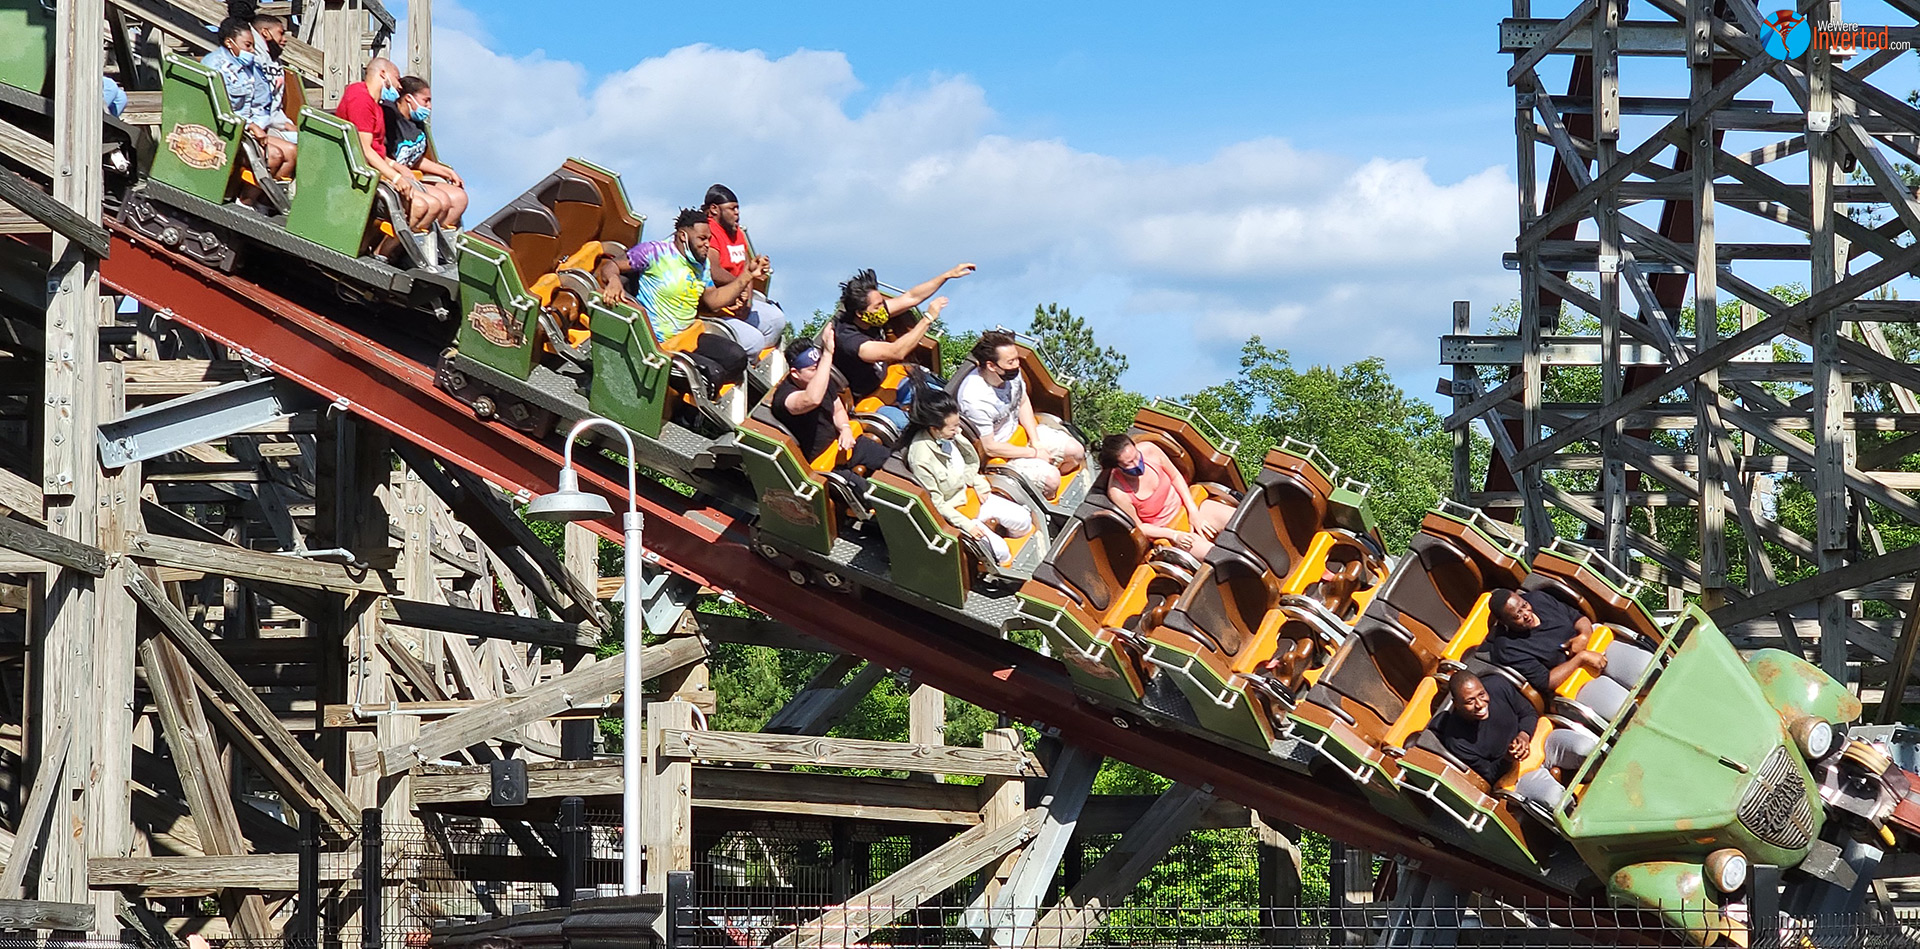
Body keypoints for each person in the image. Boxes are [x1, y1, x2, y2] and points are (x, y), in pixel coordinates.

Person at [597, 208, 762, 411]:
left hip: (686, 336)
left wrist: (745, 277)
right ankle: (685, 413)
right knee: (712, 374)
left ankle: (696, 402)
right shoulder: (655, 252)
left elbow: (712, 300)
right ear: (683, 236)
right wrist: (614, 281)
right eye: (702, 238)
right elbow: (611, 267)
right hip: (658, 344)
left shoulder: (702, 265)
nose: (707, 244)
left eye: (709, 239)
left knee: (737, 358)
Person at [906, 388, 1034, 567]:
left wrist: (978, 482)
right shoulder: (921, 459)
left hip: (971, 494)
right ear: (935, 429)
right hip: (955, 512)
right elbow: (937, 503)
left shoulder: (952, 436)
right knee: (1001, 552)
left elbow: (969, 463)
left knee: (1023, 520)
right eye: (953, 428)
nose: (958, 430)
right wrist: (967, 526)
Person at [958, 331, 1087, 497]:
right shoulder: (975, 399)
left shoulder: (1012, 373)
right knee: (1051, 480)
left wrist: (1036, 443)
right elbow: (990, 447)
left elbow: (1023, 401)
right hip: (1002, 454)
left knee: (1076, 451)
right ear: (991, 366)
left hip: (1022, 434)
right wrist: (1033, 454)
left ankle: (1054, 477)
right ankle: (1045, 498)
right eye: (1011, 361)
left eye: (1017, 359)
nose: (1016, 365)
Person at [831, 263, 975, 405]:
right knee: (933, 410)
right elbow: (896, 352)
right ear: (860, 313)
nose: (884, 309)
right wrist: (928, 319)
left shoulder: (871, 315)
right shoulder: (850, 340)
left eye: (882, 303)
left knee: (946, 394)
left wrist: (947, 275)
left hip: (892, 378)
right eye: (877, 306)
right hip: (870, 399)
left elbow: (911, 297)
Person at [772, 328, 889, 499]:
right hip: (825, 463)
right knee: (872, 496)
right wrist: (827, 355)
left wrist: (845, 428)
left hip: (844, 444)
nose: (820, 373)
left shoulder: (823, 380)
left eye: (821, 367)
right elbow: (812, 399)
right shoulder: (785, 397)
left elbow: (838, 409)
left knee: (892, 462)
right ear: (795, 373)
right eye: (814, 369)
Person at [336, 58, 437, 235]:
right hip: (359, 172)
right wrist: (395, 178)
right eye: (397, 78)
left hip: (377, 169)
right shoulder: (360, 99)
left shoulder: (377, 105)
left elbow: (377, 151)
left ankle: (386, 251)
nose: (399, 86)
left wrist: (394, 167)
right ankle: (383, 251)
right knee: (420, 206)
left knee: (434, 205)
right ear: (383, 74)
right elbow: (365, 150)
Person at [1099, 433, 1231, 557]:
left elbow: (1175, 477)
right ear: (1116, 467)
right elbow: (1141, 528)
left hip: (1189, 506)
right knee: (1218, 556)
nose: (1136, 463)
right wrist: (1174, 535)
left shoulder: (1150, 450)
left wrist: (1193, 512)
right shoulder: (1117, 492)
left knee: (1237, 522)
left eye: (1136, 456)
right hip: (1172, 529)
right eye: (1129, 463)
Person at [202, 19, 294, 182]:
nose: (252, 51)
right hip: (228, 130)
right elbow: (222, 108)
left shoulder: (251, 67)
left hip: (250, 129)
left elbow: (261, 102)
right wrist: (251, 126)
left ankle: (265, 202)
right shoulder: (216, 67)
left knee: (292, 152)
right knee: (274, 156)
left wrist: (260, 125)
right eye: (247, 45)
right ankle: (244, 201)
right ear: (230, 43)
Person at [700, 184, 785, 356]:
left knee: (776, 319)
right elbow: (713, 270)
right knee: (754, 340)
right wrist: (740, 285)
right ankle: (742, 370)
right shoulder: (708, 232)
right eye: (732, 208)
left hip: (739, 301)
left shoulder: (737, 232)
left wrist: (747, 300)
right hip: (716, 308)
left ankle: (758, 364)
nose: (737, 213)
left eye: (738, 208)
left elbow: (747, 268)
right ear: (715, 209)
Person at [1483, 588, 1605, 697]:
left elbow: (1578, 618)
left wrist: (1584, 635)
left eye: (1524, 605)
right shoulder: (1508, 648)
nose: (1526, 614)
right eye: (1517, 615)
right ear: (1504, 622)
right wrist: (1580, 658)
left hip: (1596, 643)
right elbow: (1547, 682)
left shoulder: (1538, 599)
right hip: (1574, 679)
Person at [383, 76, 468, 229]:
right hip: (392, 178)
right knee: (441, 200)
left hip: (412, 177)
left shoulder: (417, 124)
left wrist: (447, 172)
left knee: (459, 198)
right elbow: (377, 154)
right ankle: (395, 247)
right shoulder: (390, 119)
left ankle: (436, 242)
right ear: (409, 98)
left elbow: (415, 159)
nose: (429, 106)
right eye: (425, 100)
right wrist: (398, 169)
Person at [1429, 673, 1538, 787]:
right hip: (1516, 774)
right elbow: (1489, 776)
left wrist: (1524, 735)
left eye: (1481, 694)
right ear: (1456, 704)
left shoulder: (1497, 685)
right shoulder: (1457, 742)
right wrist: (1508, 758)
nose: (1480, 704)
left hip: (1536, 740)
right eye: (1470, 701)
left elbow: (1528, 713)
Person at [249, 14, 298, 149]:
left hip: (275, 124)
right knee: (298, 148)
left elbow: (275, 104)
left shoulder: (275, 61)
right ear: (265, 33)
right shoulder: (253, 59)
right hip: (258, 126)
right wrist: (285, 125)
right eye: (280, 34)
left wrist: (287, 124)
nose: (284, 40)